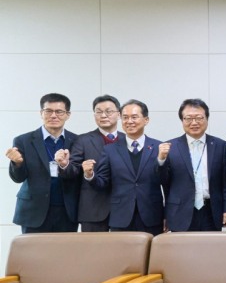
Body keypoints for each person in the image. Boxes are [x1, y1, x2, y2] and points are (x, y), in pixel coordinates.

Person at [84, 100, 164, 235]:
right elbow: (102, 182)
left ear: (146, 120)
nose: (129, 121)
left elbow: (167, 182)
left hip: (152, 215)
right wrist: (90, 175)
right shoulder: (110, 150)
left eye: (134, 117)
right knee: (121, 255)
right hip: (121, 217)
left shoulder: (158, 147)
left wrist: (167, 214)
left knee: (154, 255)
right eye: (125, 118)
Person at [6, 93, 80, 233]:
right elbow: (18, 178)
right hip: (33, 210)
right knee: (32, 254)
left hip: (67, 210)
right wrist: (17, 163)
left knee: (65, 253)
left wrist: (65, 165)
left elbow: (77, 173)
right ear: (41, 113)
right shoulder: (23, 140)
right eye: (48, 111)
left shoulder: (77, 141)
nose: (53, 115)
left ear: (67, 115)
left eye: (59, 111)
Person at [158, 99, 226, 231]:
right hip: (180, 212)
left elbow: (225, 181)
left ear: (207, 119)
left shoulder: (220, 145)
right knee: (181, 251)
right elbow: (164, 182)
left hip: (211, 211)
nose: (194, 122)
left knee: (210, 250)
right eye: (188, 118)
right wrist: (161, 160)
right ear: (182, 120)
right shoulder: (170, 147)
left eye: (199, 118)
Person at [61, 95, 122, 232]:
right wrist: (65, 165)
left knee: (123, 253)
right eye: (98, 111)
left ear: (119, 115)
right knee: (94, 252)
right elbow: (73, 170)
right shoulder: (83, 140)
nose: (103, 115)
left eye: (109, 111)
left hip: (124, 210)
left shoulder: (127, 140)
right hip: (93, 210)